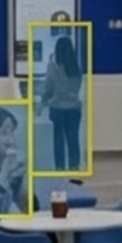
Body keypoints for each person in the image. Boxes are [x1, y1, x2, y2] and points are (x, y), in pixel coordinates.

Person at [38, 36, 84, 172]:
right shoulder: (76, 67)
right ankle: (74, 168)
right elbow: (77, 88)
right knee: (73, 140)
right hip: (74, 108)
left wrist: (43, 101)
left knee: (58, 140)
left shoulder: (53, 66)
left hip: (57, 108)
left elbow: (49, 88)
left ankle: (60, 169)